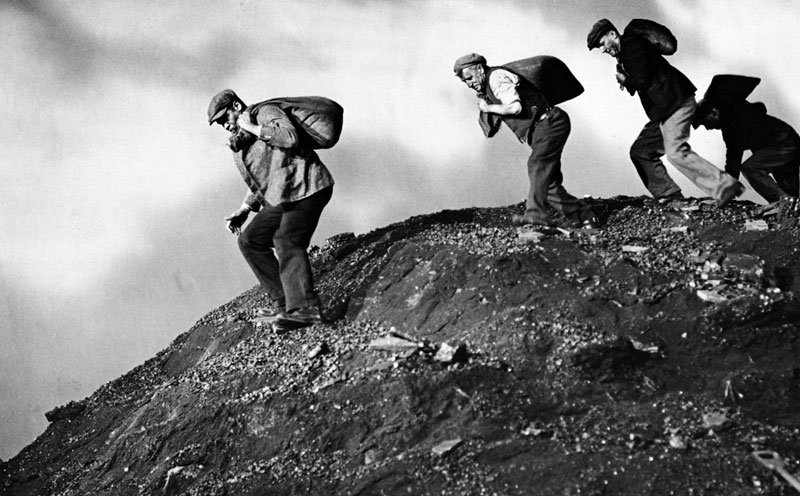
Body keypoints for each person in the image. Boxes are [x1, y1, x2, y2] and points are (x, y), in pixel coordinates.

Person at [207, 89, 334, 332]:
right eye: (220, 123)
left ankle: (304, 309)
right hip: (285, 196)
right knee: (250, 241)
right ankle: (286, 305)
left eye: (225, 118)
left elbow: (290, 137)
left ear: (236, 106)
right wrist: (245, 209)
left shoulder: (264, 113)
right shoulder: (243, 140)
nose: (225, 125)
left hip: (308, 186)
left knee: (287, 238)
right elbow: (264, 179)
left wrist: (255, 128)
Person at [587, 19, 745, 206]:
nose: (603, 49)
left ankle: (724, 186)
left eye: (602, 44)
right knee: (641, 151)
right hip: (665, 111)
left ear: (612, 34)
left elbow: (642, 80)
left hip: (676, 103)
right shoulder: (625, 55)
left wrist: (625, 80)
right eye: (600, 47)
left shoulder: (631, 45)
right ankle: (669, 196)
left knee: (676, 152)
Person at [453, 53, 596, 229]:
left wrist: (488, 107)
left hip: (549, 123)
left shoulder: (496, 78)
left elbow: (515, 107)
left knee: (536, 166)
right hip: (539, 131)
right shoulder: (488, 87)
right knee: (546, 181)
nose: (469, 83)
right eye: (464, 81)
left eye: (469, 77)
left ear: (480, 69)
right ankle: (580, 215)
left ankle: (535, 215)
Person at [694, 98, 800, 203]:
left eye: (705, 122)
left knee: (751, 168)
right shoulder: (734, 116)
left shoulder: (732, 121)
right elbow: (733, 160)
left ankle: (784, 203)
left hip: (784, 143)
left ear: (714, 112)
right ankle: (790, 206)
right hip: (787, 142)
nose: (707, 128)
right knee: (791, 192)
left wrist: (728, 188)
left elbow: (733, 158)